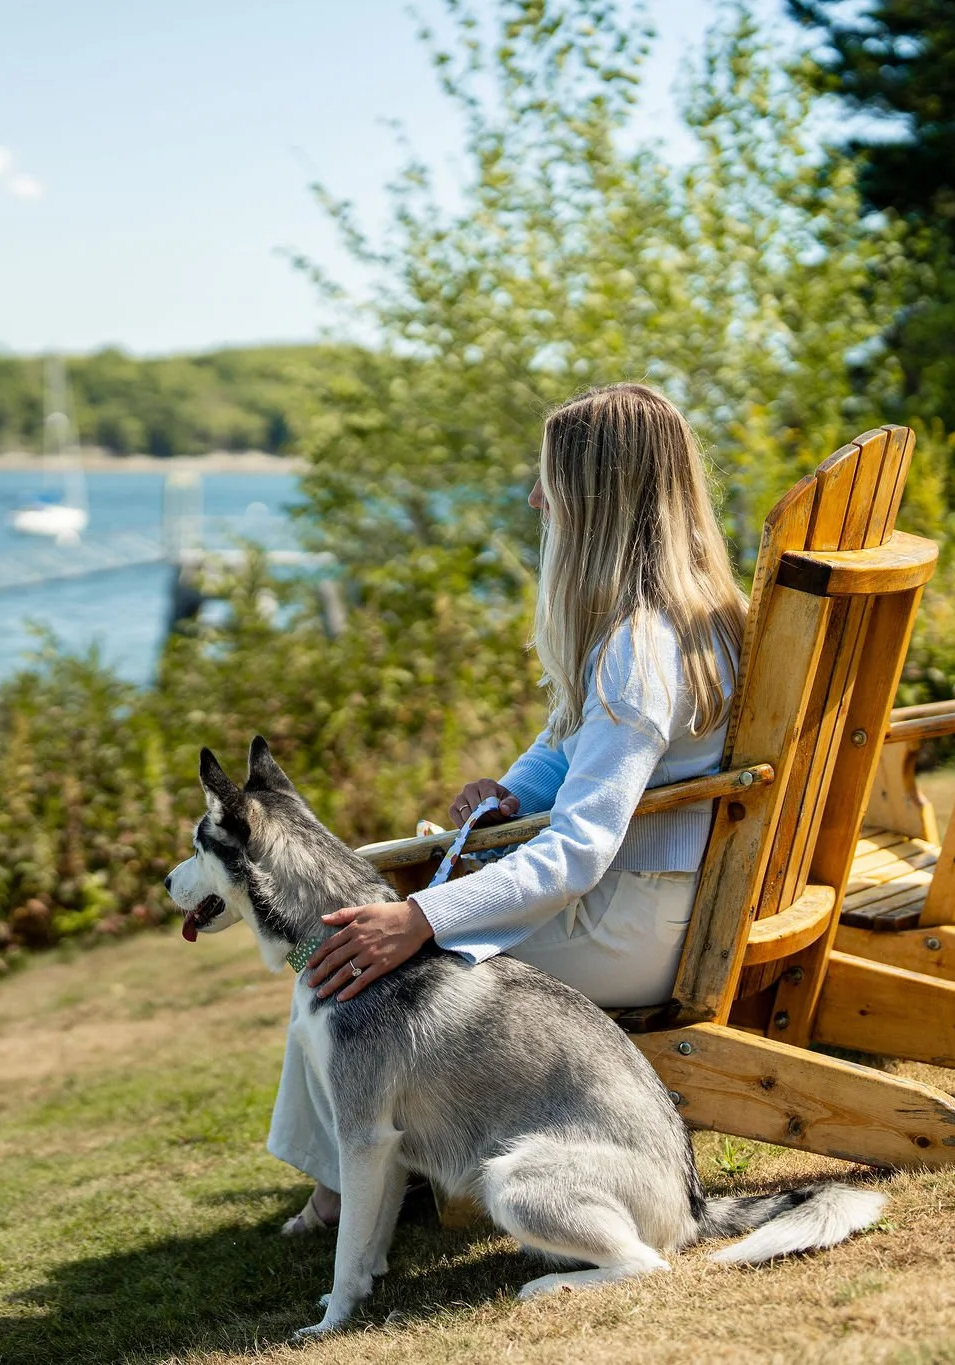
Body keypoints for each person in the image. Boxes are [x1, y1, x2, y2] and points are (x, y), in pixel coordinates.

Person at [271, 382, 748, 1235]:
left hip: (635, 927)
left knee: (345, 956)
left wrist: (418, 917)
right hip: (664, 900)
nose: (535, 499)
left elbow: (578, 851)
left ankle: (344, 1190)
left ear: (595, 496)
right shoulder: (686, 617)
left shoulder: (638, 645)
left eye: (549, 481)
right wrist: (514, 791)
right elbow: (571, 740)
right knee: (349, 951)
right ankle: (353, 1174)